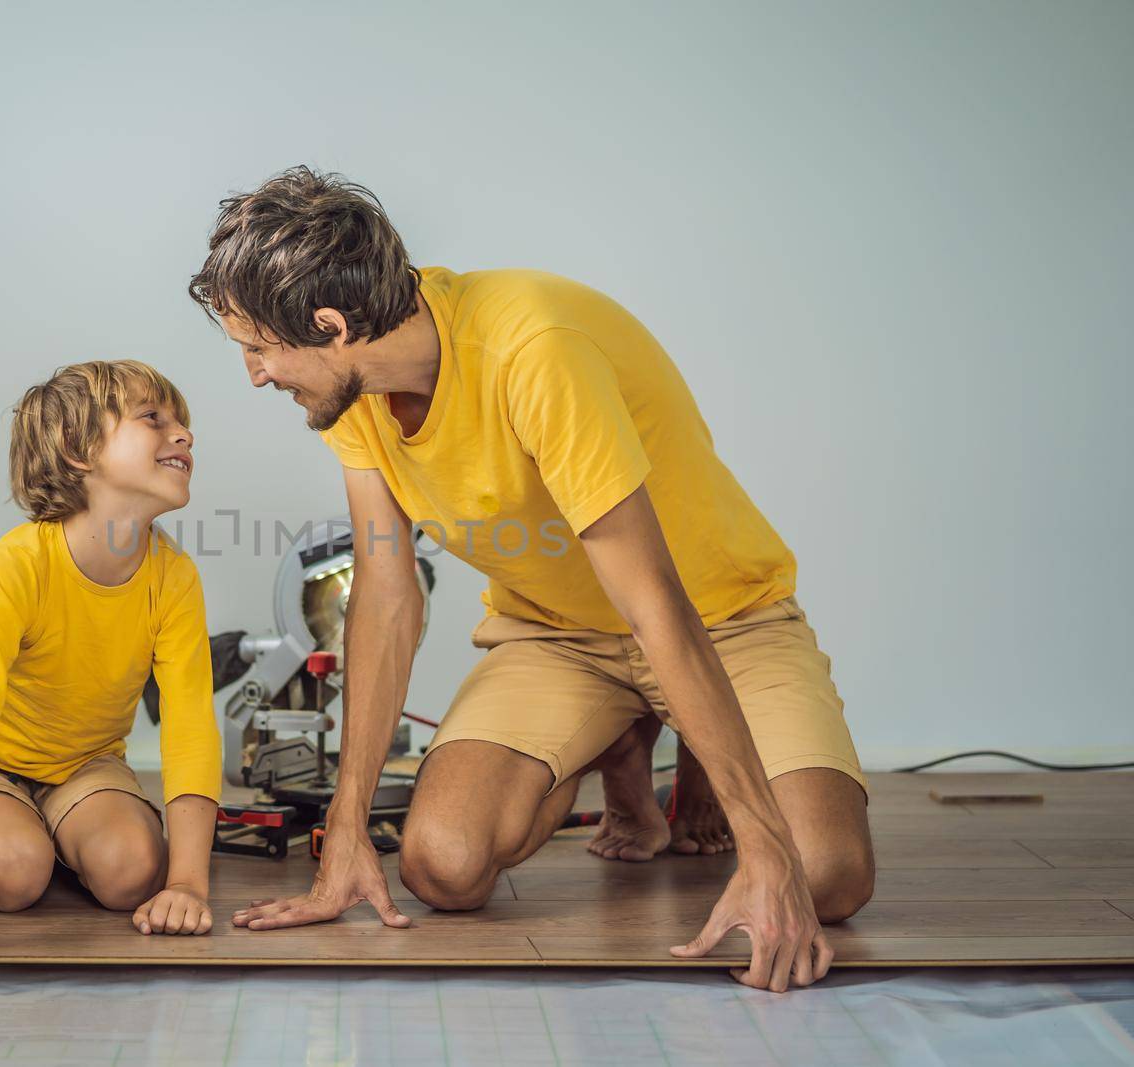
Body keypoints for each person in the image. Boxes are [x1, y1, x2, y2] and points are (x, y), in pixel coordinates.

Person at [188, 167, 873, 993]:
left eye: (260, 348)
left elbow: (654, 601)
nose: (255, 374)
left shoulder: (533, 350)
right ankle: (621, 738)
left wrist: (766, 850)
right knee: (442, 866)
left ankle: (682, 738)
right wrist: (347, 834)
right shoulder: (353, 391)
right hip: (553, 633)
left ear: (330, 324)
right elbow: (387, 593)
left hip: (720, 619)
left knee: (827, 874)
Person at [0, 360, 222, 980]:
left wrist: (189, 885)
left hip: (83, 762)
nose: (183, 434)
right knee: (15, 874)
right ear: (76, 449)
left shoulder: (175, 578)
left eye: (183, 422)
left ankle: (57, 832)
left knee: (135, 872)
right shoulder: (17, 565)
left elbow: (189, 724)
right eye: (153, 418)